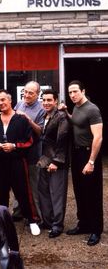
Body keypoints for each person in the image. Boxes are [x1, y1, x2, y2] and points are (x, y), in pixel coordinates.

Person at [0, 89, 40, 236]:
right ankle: (1, 221)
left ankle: (32, 220)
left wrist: (14, 146)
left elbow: (30, 141)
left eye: (3, 100)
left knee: (23, 192)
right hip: (1, 163)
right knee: (2, 194)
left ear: (10, 101)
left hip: (18, 162)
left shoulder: (21, 119)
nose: (1, 103)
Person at [62, 80, 103, 246]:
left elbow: (98, 137)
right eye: (70, 92)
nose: (72, 95)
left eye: (75, 92)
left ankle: (96, 229)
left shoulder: (92, 109)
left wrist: (91, 161)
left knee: (92, 193)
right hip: (77, 153)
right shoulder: (76, 107)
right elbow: (77, 123)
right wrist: (66, 113)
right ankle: (84, 224)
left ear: (83, 91)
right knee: (79, 191)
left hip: (89, 154)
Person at [37, 89, 71, 238]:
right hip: (44, 159)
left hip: (57, 161)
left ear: (56, 101)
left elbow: (63, 140)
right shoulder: (44, 116)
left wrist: (56, 161)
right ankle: (47, 221)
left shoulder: (61, 116)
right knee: (43, 192)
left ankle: (57, 225)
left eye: (49, 100)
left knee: (57, 194)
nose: (46, 103)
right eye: (43, 100)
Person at [12, 81, 45, 222]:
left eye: (31, 93)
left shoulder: (42, 108)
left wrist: (27, 119)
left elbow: (40, 132)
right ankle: (18, 211)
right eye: (25, 91)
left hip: (33, 151)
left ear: (38, 94)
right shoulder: (19, 104)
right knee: (17, 180)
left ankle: (36, 214)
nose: (26, 95)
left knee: (33, 183)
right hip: (18, 150)